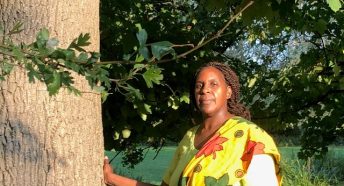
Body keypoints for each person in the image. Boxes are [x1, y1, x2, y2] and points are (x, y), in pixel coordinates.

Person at [103, 61, 281, 186]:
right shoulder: (189, 138)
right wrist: (112, 178)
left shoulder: (250, 137)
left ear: (228, 92)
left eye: (213, 84)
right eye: (199, 85)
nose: (205, 90)